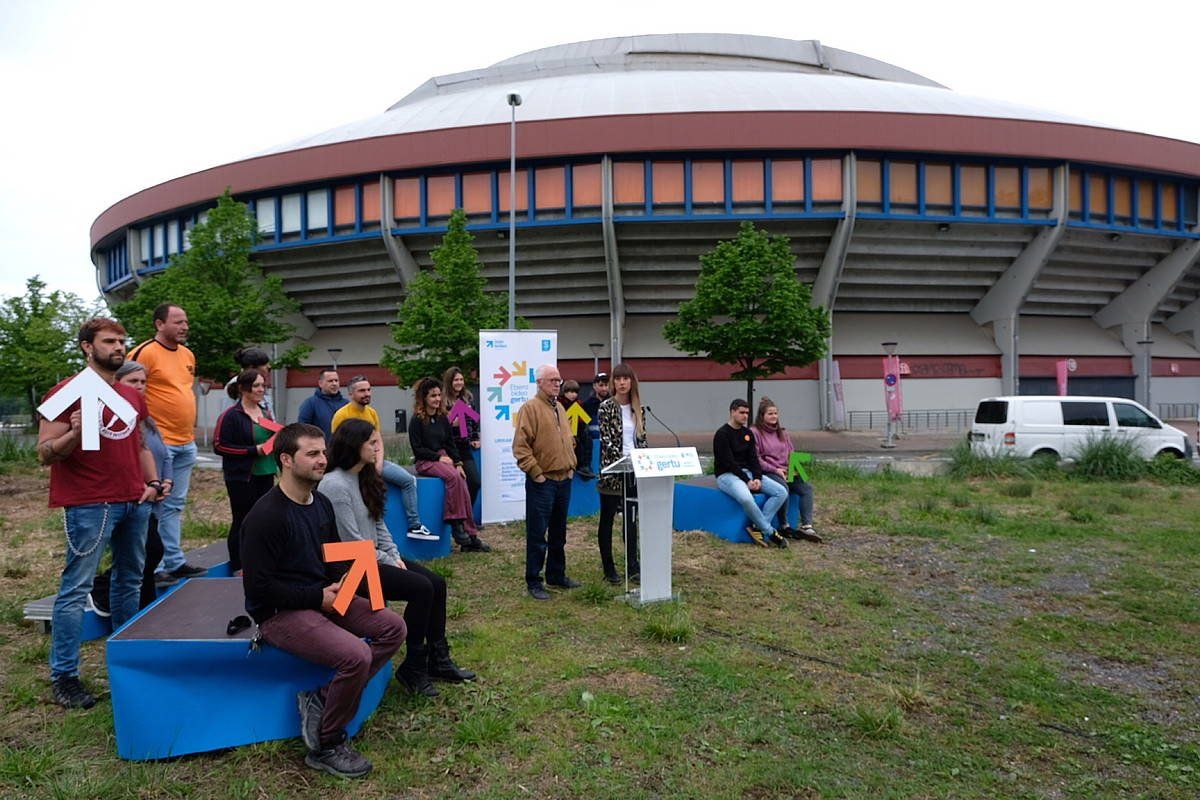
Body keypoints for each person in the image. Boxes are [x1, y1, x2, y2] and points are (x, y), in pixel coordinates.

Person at [240, 423, 405, 779]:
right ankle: (327, 743)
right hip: (280, 613)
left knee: (393, 626)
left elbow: (331, 556)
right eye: (312, 454)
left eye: (323, 452)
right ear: (286, 459)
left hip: (322, 596)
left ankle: (323, 698)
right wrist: (319, 597)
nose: (322, 460)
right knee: (356, 654)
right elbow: (257, 589)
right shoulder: (264, 517)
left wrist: (349, 576)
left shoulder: (322, 503)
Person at [38, 317, 160, 709]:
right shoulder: (66, 393)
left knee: (130, 582)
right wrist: (72, 435)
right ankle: (65, 676)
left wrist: (152, 483)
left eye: (122, 341)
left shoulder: (131, 396)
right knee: (76, 589)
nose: (119, 347)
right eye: (109, 341)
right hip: (90, 503)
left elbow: (139, 445)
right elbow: (44, 452)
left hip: (133, 501)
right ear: (87, 347)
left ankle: (125, 661)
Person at [321, 419, 477, 697]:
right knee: (420, 588)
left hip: (373, 558)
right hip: (349, 568)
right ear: (354, 446)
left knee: (436, 583)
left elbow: (379, 525)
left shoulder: (364, 476)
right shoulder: (334, 485)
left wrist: (392, 554)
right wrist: (388, 559)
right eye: (372, 443)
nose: (377, 448)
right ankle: (413, 667)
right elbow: (350, 543)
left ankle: (437, 660)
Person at [89, 360, 173, 615]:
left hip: (153, 494)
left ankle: (144, 610)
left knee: (146, 556)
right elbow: (117, 458)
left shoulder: (146, 418)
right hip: (134, 496)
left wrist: (164, 481)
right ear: (118, 383)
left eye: (142, 381)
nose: (139, 386)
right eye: (132, 381)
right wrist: (146, 486)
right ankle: (102, 590)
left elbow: (164, 453)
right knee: (148, 551)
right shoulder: (112, 419)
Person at [128, 303, 205, 580]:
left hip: (186, 441)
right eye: (178, 322)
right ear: (160, 324)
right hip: (159, 443)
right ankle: (155, 565)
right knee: (156, 504)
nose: (184, 327)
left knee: (174, 504)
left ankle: (173, 561)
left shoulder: (187, 354)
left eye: (186, 322)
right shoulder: (144, 352)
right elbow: (127, 387)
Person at [330, 376, 433, 541]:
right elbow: (338, 446)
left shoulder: (372, 413)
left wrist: (377, 464)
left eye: (369, 390)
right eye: (362, 390)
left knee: (408, 480)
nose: (367, 394)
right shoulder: (341, 415)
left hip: (374, 461)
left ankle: (415, 525)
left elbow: (378, 441)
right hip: (353, 465)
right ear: (350, 394)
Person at [512, 364, 578, 600]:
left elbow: (569, 439)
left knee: (559, 532)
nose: (556, 384)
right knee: (538, 534)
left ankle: (556, 574)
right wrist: (536, 472)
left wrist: (571, 464)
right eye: (551, 380)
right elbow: (520, 447)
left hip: (563, 479)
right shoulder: (530, 408)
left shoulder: (560, 407)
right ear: (539, 382)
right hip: (543, 482)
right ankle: (534, 580)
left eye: (558, 380)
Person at [409, 377, 490, 552]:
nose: (437, 399)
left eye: (439, 395)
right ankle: (454, 521)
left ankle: (471, 535)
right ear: (424, 398)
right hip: (426, 461)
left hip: (444, 459)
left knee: (462, 479)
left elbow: (450, 444)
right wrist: (438, 458)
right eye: (433, 396)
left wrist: (459, 463)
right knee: (453, 477)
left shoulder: (442, 418)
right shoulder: (416, 420)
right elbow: (417, 449)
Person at [213, 370, 279, 573]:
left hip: (266, 473)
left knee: (264, 520)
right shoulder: (232, 416)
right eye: (256, 386)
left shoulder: (263, 412)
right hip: (242, 476)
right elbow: (219, 446)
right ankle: (238, 566)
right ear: (243, 388)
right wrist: (253, 451)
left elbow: (277, 432)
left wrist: (273, 443)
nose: (261, 390)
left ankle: (262, 561)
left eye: (263, 386)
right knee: (243, 520)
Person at [713, 398, 790, 548]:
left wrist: (757, 477)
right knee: (747, 499)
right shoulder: (722, 434)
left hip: (748, 473)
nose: (745, 416)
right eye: (741, 412)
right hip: (727, 475)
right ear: (732, 412)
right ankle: (770, 532)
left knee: (781, 492)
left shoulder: (748, 433)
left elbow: (754, 459)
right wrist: (746, 480)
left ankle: (756, 526)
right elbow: (728, 462)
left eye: (747, 413)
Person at [596, 363, 647, 584]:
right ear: (613, 382)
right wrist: (625, 461)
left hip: (635, 472)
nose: (622, 383)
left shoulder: (639, 409)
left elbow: (642, 440)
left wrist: (643, 462)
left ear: (632, 381)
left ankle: (632, 566)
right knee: (607, 519)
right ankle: (609, 568)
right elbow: (606, 441)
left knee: (632, 520)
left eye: (626, 379)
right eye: (618, 379)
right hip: (613, 471)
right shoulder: (606, 407)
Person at [751, 397, 822, 543]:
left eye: (776, 413)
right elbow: (756, 459)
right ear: (762, 415)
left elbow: (792, 453)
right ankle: (784, 525)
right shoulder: (755, 432)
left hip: (785, 470)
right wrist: (775, 469)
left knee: (806, 488)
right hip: (768, 471)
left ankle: (807, 526)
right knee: (783, 487)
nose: (774, 416)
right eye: (770, 414)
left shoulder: (783, 432)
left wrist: (793, 469)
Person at [440, 366, 480, 505]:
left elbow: (474, 420)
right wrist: (450, 424)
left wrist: (475, 438)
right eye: (456, 380)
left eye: (461, 379)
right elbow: (440, 426)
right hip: (449, 448)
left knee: (475, 482)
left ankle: (466, 516)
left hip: (464, 447)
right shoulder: (442, 400)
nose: (459, 382)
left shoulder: (467, 398)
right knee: (456, 484)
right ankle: (460, 520)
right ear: (449, 382)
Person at [297, 368, 348, 444]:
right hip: (321, 451)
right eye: (330, 381)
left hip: (344, 452)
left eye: (336, 380)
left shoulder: (346, 404)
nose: (334, 384)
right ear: (320, 383)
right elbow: (302, 430)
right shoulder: (310, 403)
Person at [559, 380, 595, 480]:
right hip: (564, 432)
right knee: (575, 443)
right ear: (564, 392)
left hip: (578, 430)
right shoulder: (559, 403)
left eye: (575, 392)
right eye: (570, 392)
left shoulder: (579, 404)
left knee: (587, 440)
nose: (573, 395)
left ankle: (585, 466)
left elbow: (584, 419)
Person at [222, 346, 272, 415]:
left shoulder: (261, 381)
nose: (269, 366)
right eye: (264, 364)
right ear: (251, 367)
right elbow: (229, 414)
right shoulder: (236, 383)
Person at [581, 372, 609, 453]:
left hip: (608, 446)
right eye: (601, 385)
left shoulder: (613, 404)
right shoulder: (587, 405)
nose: (604, 388)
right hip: (592, 446)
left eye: (606, 385)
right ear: (594, 386)